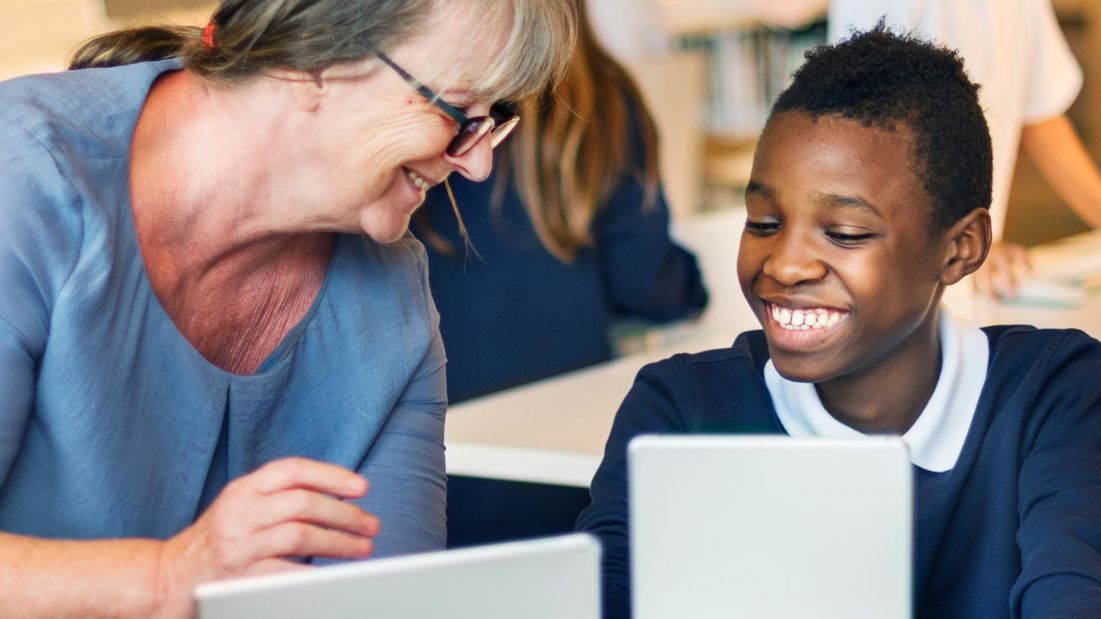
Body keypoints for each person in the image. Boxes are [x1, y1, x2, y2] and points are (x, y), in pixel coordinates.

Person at [0, 0, 575, 616]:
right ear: (316, 60)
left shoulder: (391, 302)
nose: (479, 164)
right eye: (459, 111)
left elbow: (381, 607)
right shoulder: (24, 178)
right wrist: (167, 579)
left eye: (496, 121)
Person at [576, 25, 1101, 619]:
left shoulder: (1054, 395)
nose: (787, 263)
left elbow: (1074, 589)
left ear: (960, 249)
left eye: (845, 234)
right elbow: (604, 594)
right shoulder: (683, 405)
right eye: (764, 223)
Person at [414, 0, 707, 405]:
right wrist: (693, 285)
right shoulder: (603, 95)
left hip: (433, 419)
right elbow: (645, 284)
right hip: (570, 407)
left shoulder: (423, 96)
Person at [829, 0, 1101, 298]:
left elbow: (1040, 116)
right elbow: (873, 134)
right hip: (895, 277)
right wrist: (956, 240)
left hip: (970, 280)